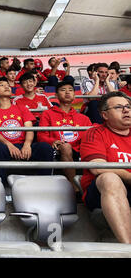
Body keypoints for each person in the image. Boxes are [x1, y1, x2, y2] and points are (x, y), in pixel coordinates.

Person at [79, 91, 131, 244]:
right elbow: (97, 168)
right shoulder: (94, 133)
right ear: (105, 115)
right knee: (109, 177)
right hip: (100, 192)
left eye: (128, 106)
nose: (126, 110)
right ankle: (128, 247)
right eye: (119, 107)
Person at [0, 78, 54, 184]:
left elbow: (29, 128)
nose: (7, 86)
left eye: (7, 85)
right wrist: (9, 145)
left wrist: (27, 144)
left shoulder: (21, 108)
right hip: (5, 146)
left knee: (45, 147)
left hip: (23, 144)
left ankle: (44, 183)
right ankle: (0, 185)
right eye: (2, 85)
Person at [37, 81, 92, 194]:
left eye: (70, 90)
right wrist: (53, 141)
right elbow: (41, 135)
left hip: (79, 148)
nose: (67, 92)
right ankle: (74, 187)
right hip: (59, 148)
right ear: (56, 95)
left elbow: (90, 137)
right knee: (66, 146)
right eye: (63, 90)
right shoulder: (47, 114)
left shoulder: (83, 118)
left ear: (74, 95)